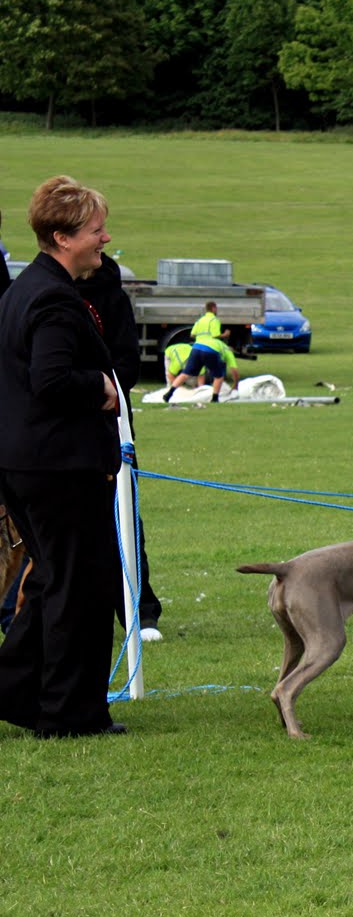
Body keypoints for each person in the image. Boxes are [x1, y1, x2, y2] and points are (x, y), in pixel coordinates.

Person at [0, 176, 126, 738]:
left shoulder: (25, 287)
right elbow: (50, 379)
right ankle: (69, 714)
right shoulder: (51, 296)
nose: (104, 239)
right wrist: (100, 384)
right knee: (81, 587)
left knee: (53, 579)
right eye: (96, 230)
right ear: (62, 236)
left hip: (27, 461)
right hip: (59, 466)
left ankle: (19, 694)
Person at [78, 253, 163, 640]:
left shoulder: (110, 296)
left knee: (124, 515)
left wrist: (103, 389)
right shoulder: (43, 291)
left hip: (108, 427)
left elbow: (125, 364)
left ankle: (140, 610)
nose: (104, 239)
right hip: (48, 432)